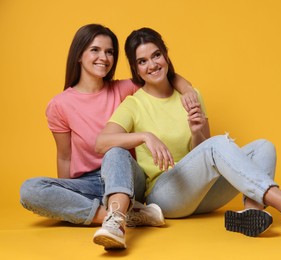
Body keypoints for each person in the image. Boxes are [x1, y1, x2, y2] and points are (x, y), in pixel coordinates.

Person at [96, 27, 281, 245]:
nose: (152, 65)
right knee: (218, 145)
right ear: (136, 68)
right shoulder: (134, 104)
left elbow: (206, 154)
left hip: (203, 197)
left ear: (166, 55)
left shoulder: (191, 95)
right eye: (142, 61)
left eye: (156, 55)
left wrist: (195, 131)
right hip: (167, 196)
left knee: (264, 147)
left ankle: (251, 212)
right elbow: (102, 143)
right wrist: (144, 136)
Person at [19, 24, 198, 250]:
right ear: (79, 55)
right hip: (90, 182)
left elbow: (162, 75)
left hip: (128, 175)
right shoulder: (59, 105)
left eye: (110, 52)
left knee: (115, 151)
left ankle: (117, 218)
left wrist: (189, 90)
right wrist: (64, 196)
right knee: (30, 190)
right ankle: (124, 215)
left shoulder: (124, 88)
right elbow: (64, 156)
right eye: (95, 50)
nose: (103, 57)